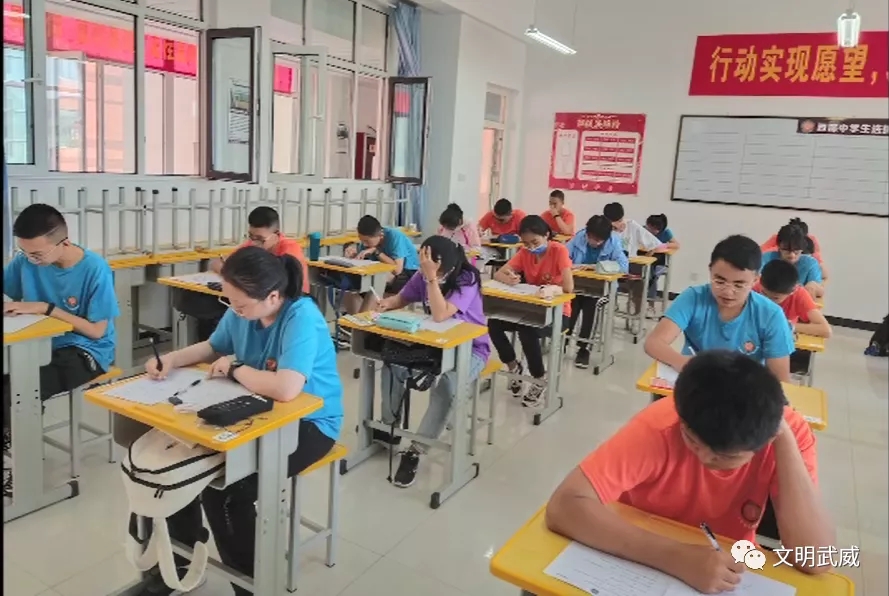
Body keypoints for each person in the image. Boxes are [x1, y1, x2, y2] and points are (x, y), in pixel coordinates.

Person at [136, 246, 343, 596]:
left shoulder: (301, 317)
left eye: (241, 305)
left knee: (227, 492)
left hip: (311, 423)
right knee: (176, 469)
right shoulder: (243, 309)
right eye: (230, 302)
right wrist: (171, 359)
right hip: (257, 411)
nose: (234, 310)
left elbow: (287, 388)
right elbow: (213, 346)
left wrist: (235, 369)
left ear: (273, 296)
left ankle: (251, 586)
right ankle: (179, 564)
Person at [546, 351, 834, 595]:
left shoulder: (786, 434)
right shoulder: (662, 424)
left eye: (726, 456)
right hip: (639, 550)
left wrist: (783, 437)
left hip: (731, 567)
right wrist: (675, 557)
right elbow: (564, 505)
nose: (705, 458)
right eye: (692, 441)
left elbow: (817, 560)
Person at [3, 204, 118, 495]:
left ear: (63, 243)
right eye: (24, 252)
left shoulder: (95, 268)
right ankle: (13, 450)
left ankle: (21, 472)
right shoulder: (25, 261)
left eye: (37, 254)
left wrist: (47, 308)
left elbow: (96, 331)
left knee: (22, 388)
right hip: (39, 344)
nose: (30, 259)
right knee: (10, 380)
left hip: (86, 351)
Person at [375, 236, 490, 487]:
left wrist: (430, 278)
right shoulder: (424, 275)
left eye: (429, 263)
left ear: (445, 264)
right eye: (422, 262)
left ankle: (416, 449)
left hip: (470, 349)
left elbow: (440, 314)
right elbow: (403, 298)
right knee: (393, 365)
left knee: (448, 384)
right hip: (436, 344)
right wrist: (387, 303)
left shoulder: (466, 279)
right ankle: (389, 428)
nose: (423, 267)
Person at [644, 234, 795, 383]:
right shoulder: (694, 298)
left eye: (739, 285)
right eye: (720, 281)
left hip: (745, 389)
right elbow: (654, 343)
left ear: (755, 280)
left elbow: (781, 381)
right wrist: (685, 363)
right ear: (710, 271)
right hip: (696, 382)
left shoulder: (771, 315)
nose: (728, 292)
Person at [490, 215, 574, 407]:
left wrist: (553, 289)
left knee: (527, 329)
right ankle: (514, 367)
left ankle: (538, 378)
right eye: (526, 243)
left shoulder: (559, 250)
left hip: (558, 313)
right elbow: (499, 273)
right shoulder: (525, 252)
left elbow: (569, 287)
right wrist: (509, 279)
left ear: (546, 235)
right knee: (494, 323)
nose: (531, 247)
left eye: (535, 242)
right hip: (529, 308)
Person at [199, 206, 309, 341]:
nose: (254, 242)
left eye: (260, 239)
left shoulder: (290, 250)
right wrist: (233, 279)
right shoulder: (252, 244)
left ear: (276, 234)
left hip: (286, 304)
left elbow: (271, 285)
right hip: (259, 304)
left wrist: (236, 277)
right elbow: (216, 263)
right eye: (251, 236)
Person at [564, 215, 628, 368]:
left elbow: (623, 267)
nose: (595, 242)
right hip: (577, 284)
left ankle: (584, 348)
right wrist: (571, 265)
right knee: (569, 305)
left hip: (601, 289)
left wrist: (595, 267)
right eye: (592, 238)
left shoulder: (614, 241)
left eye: (599, 240)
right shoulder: (579, 237)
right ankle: (562, 341)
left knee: (592, 307)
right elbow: (563, 257)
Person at [755, 259, 832, 376]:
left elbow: (825, 330)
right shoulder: (754, 288)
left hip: (779, 348)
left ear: (792, 290)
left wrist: (788, 326)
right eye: (764, 295)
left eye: (775, 298)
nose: (768, 302)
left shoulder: (799, 294)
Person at [342, 215, 420, 313]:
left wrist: (376, 251)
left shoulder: (394, 237)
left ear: (380, 235)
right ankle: (356, 319)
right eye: (361, 240)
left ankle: (363, 318)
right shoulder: (368, 241)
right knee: (350, 288)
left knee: (375, 282)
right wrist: (353, 255)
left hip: (408, 273)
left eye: (366, 241)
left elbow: (397, 270)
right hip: (382, 273)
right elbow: (365, 262)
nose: (364, 244)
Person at [603, 202, 664, 315]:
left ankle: (637, 312)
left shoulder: (632, 225)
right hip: (609, 266)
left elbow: (657, 244)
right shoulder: (603, 227)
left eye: (619, 221)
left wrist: (651, 252)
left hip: (630, 266)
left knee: (639, 281)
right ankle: (609, 304)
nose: (618, 225)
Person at [761, 223, 824, 299]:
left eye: (796, 251)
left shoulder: (810, 263)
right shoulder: (766, 259)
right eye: (786, 250)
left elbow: (820, 291)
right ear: (779, 246)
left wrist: (813, 285)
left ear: (802, 248)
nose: (792, 255)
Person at [644, 214, 679, 311]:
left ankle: (651, 305)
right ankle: (636, 302)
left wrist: (660, 246)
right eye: (648, 227)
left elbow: (676, 244)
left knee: (652, 277)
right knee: (640, 276)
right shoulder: (642, 230)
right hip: (644, 260)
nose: (649, 230)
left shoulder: (666, 233)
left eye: (652, 229)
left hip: (659, 263)